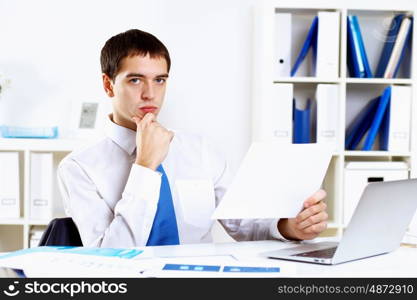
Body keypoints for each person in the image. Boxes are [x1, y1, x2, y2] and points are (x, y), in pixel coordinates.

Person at [57, 29, 328, 248]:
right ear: (108, 85)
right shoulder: (79, 168)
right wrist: (145, 167)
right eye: (136, 80)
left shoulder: (200, 150)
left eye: (160, 80)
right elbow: (109, 256)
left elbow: (242, 224)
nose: (150, 94)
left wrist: (288, 227)